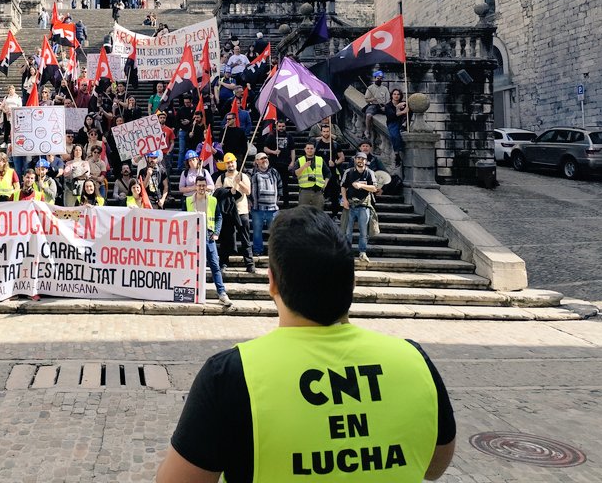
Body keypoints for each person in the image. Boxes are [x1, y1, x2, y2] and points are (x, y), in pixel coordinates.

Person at [159, 206, 456, 483]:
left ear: (272, 282)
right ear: (352, 282)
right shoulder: (414, 360)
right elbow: (436, 464)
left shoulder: (230, 375)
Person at [186, 177, 231, 307]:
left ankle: (222, 293)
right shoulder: (188, 200)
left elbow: (218, 217)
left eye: (203, 186)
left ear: (206, 186)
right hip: (193, 237)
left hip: (209, 236)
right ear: (195, 186)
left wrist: (216, 232)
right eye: (199, 185)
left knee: (215, 265)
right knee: (192, 266)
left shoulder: (212, 200)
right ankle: (192, 291)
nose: (201, 188)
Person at [214, 153, 255, 273]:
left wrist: (239, 183)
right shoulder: (221, 178)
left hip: (241, 211)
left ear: (236, 163)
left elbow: (248, 192)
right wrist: (228, 192)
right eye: (228, 163)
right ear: (225, 165)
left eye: (232, 162)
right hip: (227, 212)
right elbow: (216, 192)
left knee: (245, 238)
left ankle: (249, 263)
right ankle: (224, 263)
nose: (230, 164)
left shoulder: (243, 176)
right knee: (225, 239)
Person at [342, 152, 379, 263]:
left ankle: (362, 253)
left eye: (363, 159)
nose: (360, 161)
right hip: (350, 204)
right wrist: (344, 199)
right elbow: (343, 186)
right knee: (348, 231)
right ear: (355, 160)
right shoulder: (348, 172)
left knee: (364, 232)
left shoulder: (370, 173)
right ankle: (347, 252)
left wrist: (361, 185)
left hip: (364, 206)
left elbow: (374, 188)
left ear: (366, 161)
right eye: (358, 158)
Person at [249, 152, 283, 256]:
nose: (265, 160)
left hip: (272, 209)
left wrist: (276, 199)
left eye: (266, 158)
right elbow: (246, 187)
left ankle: (274, 252)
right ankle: (257, 251)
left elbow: (280, 185)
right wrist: (249, 201)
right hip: (257, 208)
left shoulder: (274, 172)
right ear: (256, 161)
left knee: (274, 232)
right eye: (262, 158)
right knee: (257, 232)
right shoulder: (251, 172)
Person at [292, 142, 329, 210]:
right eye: (308, 148)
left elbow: (328, 173)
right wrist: (303, 167)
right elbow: (294, 174)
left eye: (311, 148)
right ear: (305, 149)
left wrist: (325, 183)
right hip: (305, 191)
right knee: (303, 213)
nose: (310, 150)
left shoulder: (320, 159)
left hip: (318, 191)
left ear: (314, 149)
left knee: (318, 213)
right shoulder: (300, 160)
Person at [363, 70, 390, 142]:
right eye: (378, 78)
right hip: (373, 105)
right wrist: (372, 99)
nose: (379, 79)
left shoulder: (385, 89)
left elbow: (388, 100)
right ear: (375, 78)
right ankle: (367, 130)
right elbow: (366, 100)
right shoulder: (370, 88)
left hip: (382, 105)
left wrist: (385, 107)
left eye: (381, 78)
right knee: (368, 115)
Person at [385, 88, 409, 166]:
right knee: (394, 136)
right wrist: (398, 109)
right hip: (392, 122)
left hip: (401, 122)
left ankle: (404, 125)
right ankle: (397, 154)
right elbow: (391, 116)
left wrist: (406, 107)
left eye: (398, 94)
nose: (396, 96)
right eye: (394, 94)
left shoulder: (403, 103)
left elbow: (408, 111)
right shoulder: (388, 105)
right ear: (392, 95)